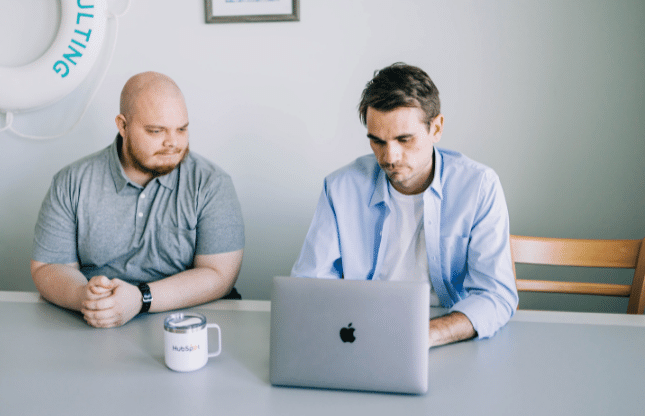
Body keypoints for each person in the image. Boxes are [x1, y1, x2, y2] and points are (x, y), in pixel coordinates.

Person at [291, 63, 518, 347]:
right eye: (377, 141)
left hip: (449, 338)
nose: (390, 156)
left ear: (436, 128)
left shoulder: (479, 187)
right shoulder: (340, 188)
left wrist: (423, 335)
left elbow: (495, 295)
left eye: (404, 139)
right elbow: (309, 284)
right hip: (361, 335)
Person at [31, 72, 245, 328]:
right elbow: (48, 267)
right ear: (122, 126)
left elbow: (220, 275)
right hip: (91, 323)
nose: (173, 143)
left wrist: (141, 298)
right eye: (156, 131)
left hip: (187, 325)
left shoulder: (211, 183)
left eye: (182, 129)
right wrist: (85, 297)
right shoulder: (71, 182)